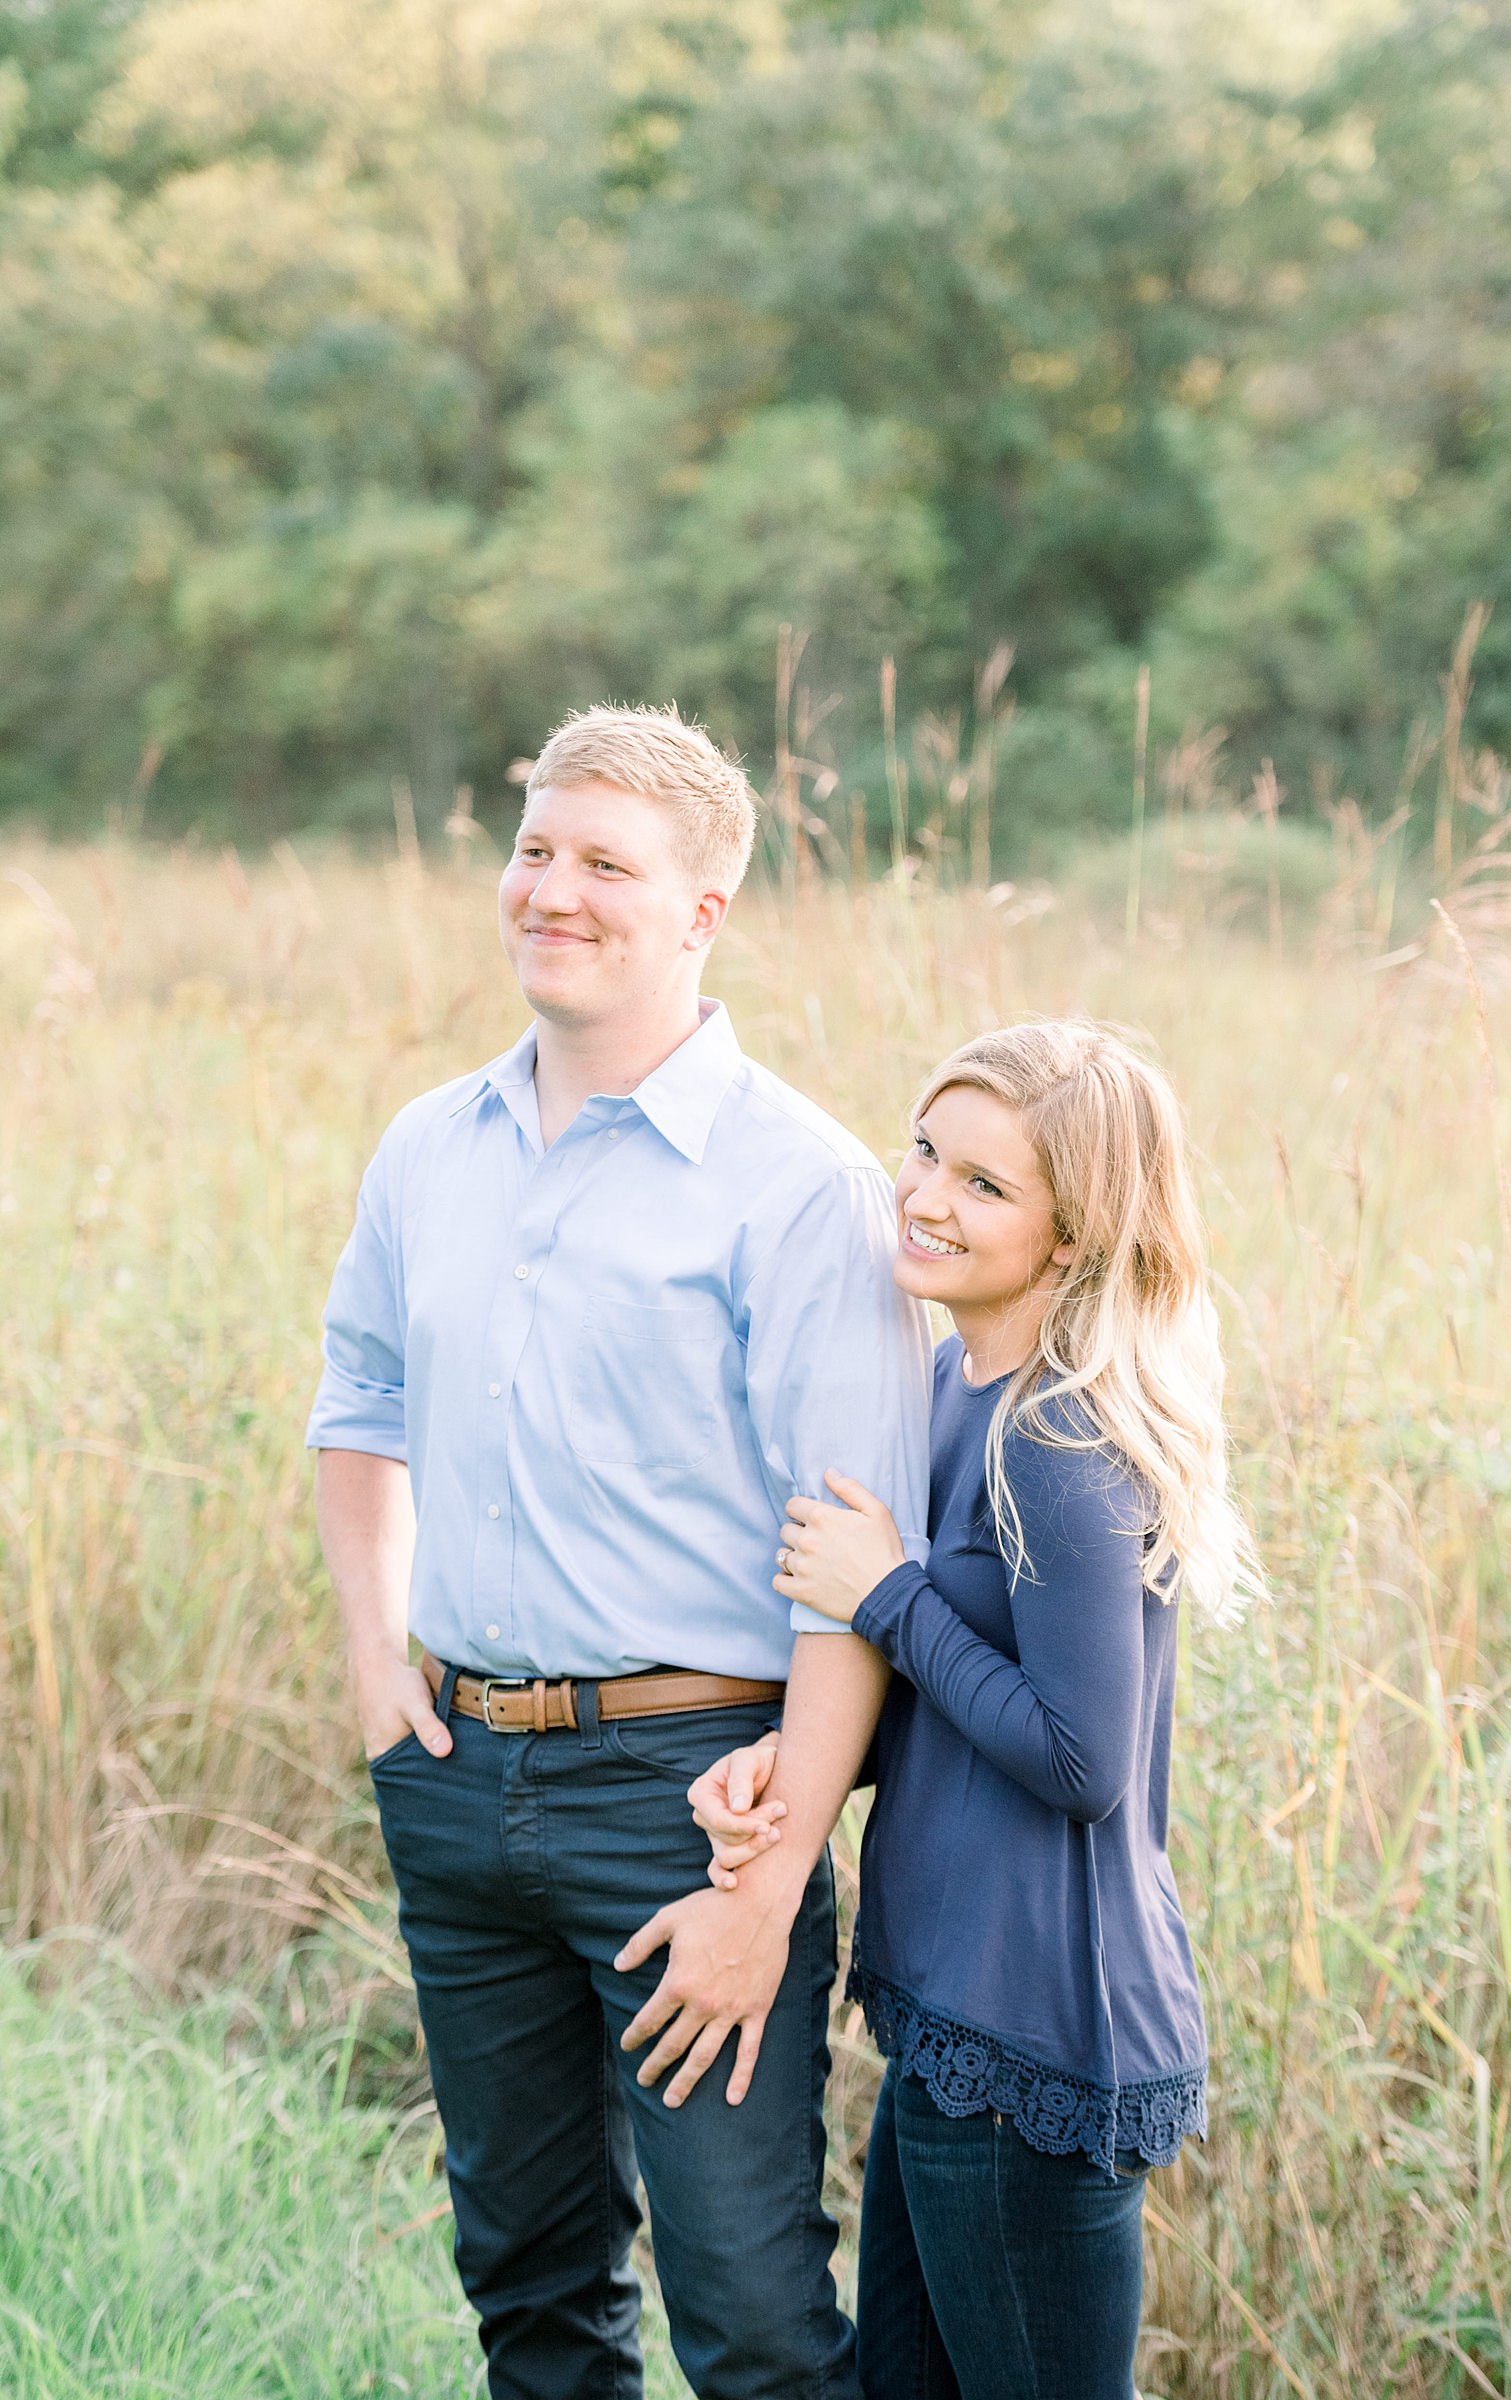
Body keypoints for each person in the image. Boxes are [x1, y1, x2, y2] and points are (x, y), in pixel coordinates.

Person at [307, 703, 932, 2400]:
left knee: (750, 2319)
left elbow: (855, 1573)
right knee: (527, 2287)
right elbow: (359, 1401)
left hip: (693, 1801)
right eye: (532, 848)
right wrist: (379, 1670)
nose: (550, 891)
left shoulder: (800, 1186)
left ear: (703, 912)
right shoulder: (428, 1145)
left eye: (604, 863)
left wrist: (772, 1876)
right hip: (451, 1772)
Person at [694, 1020, 1265, 2400]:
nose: (925, 1196)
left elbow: (1080, 1762)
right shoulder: (951, 1386)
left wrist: (886, 1594)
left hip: (1040, 2029)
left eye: (985, 1186)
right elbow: (958, 1716)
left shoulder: (1064, 1438)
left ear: (1072, 1236)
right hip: (955, 2018)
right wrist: (793, 1764)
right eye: (925, 1150)